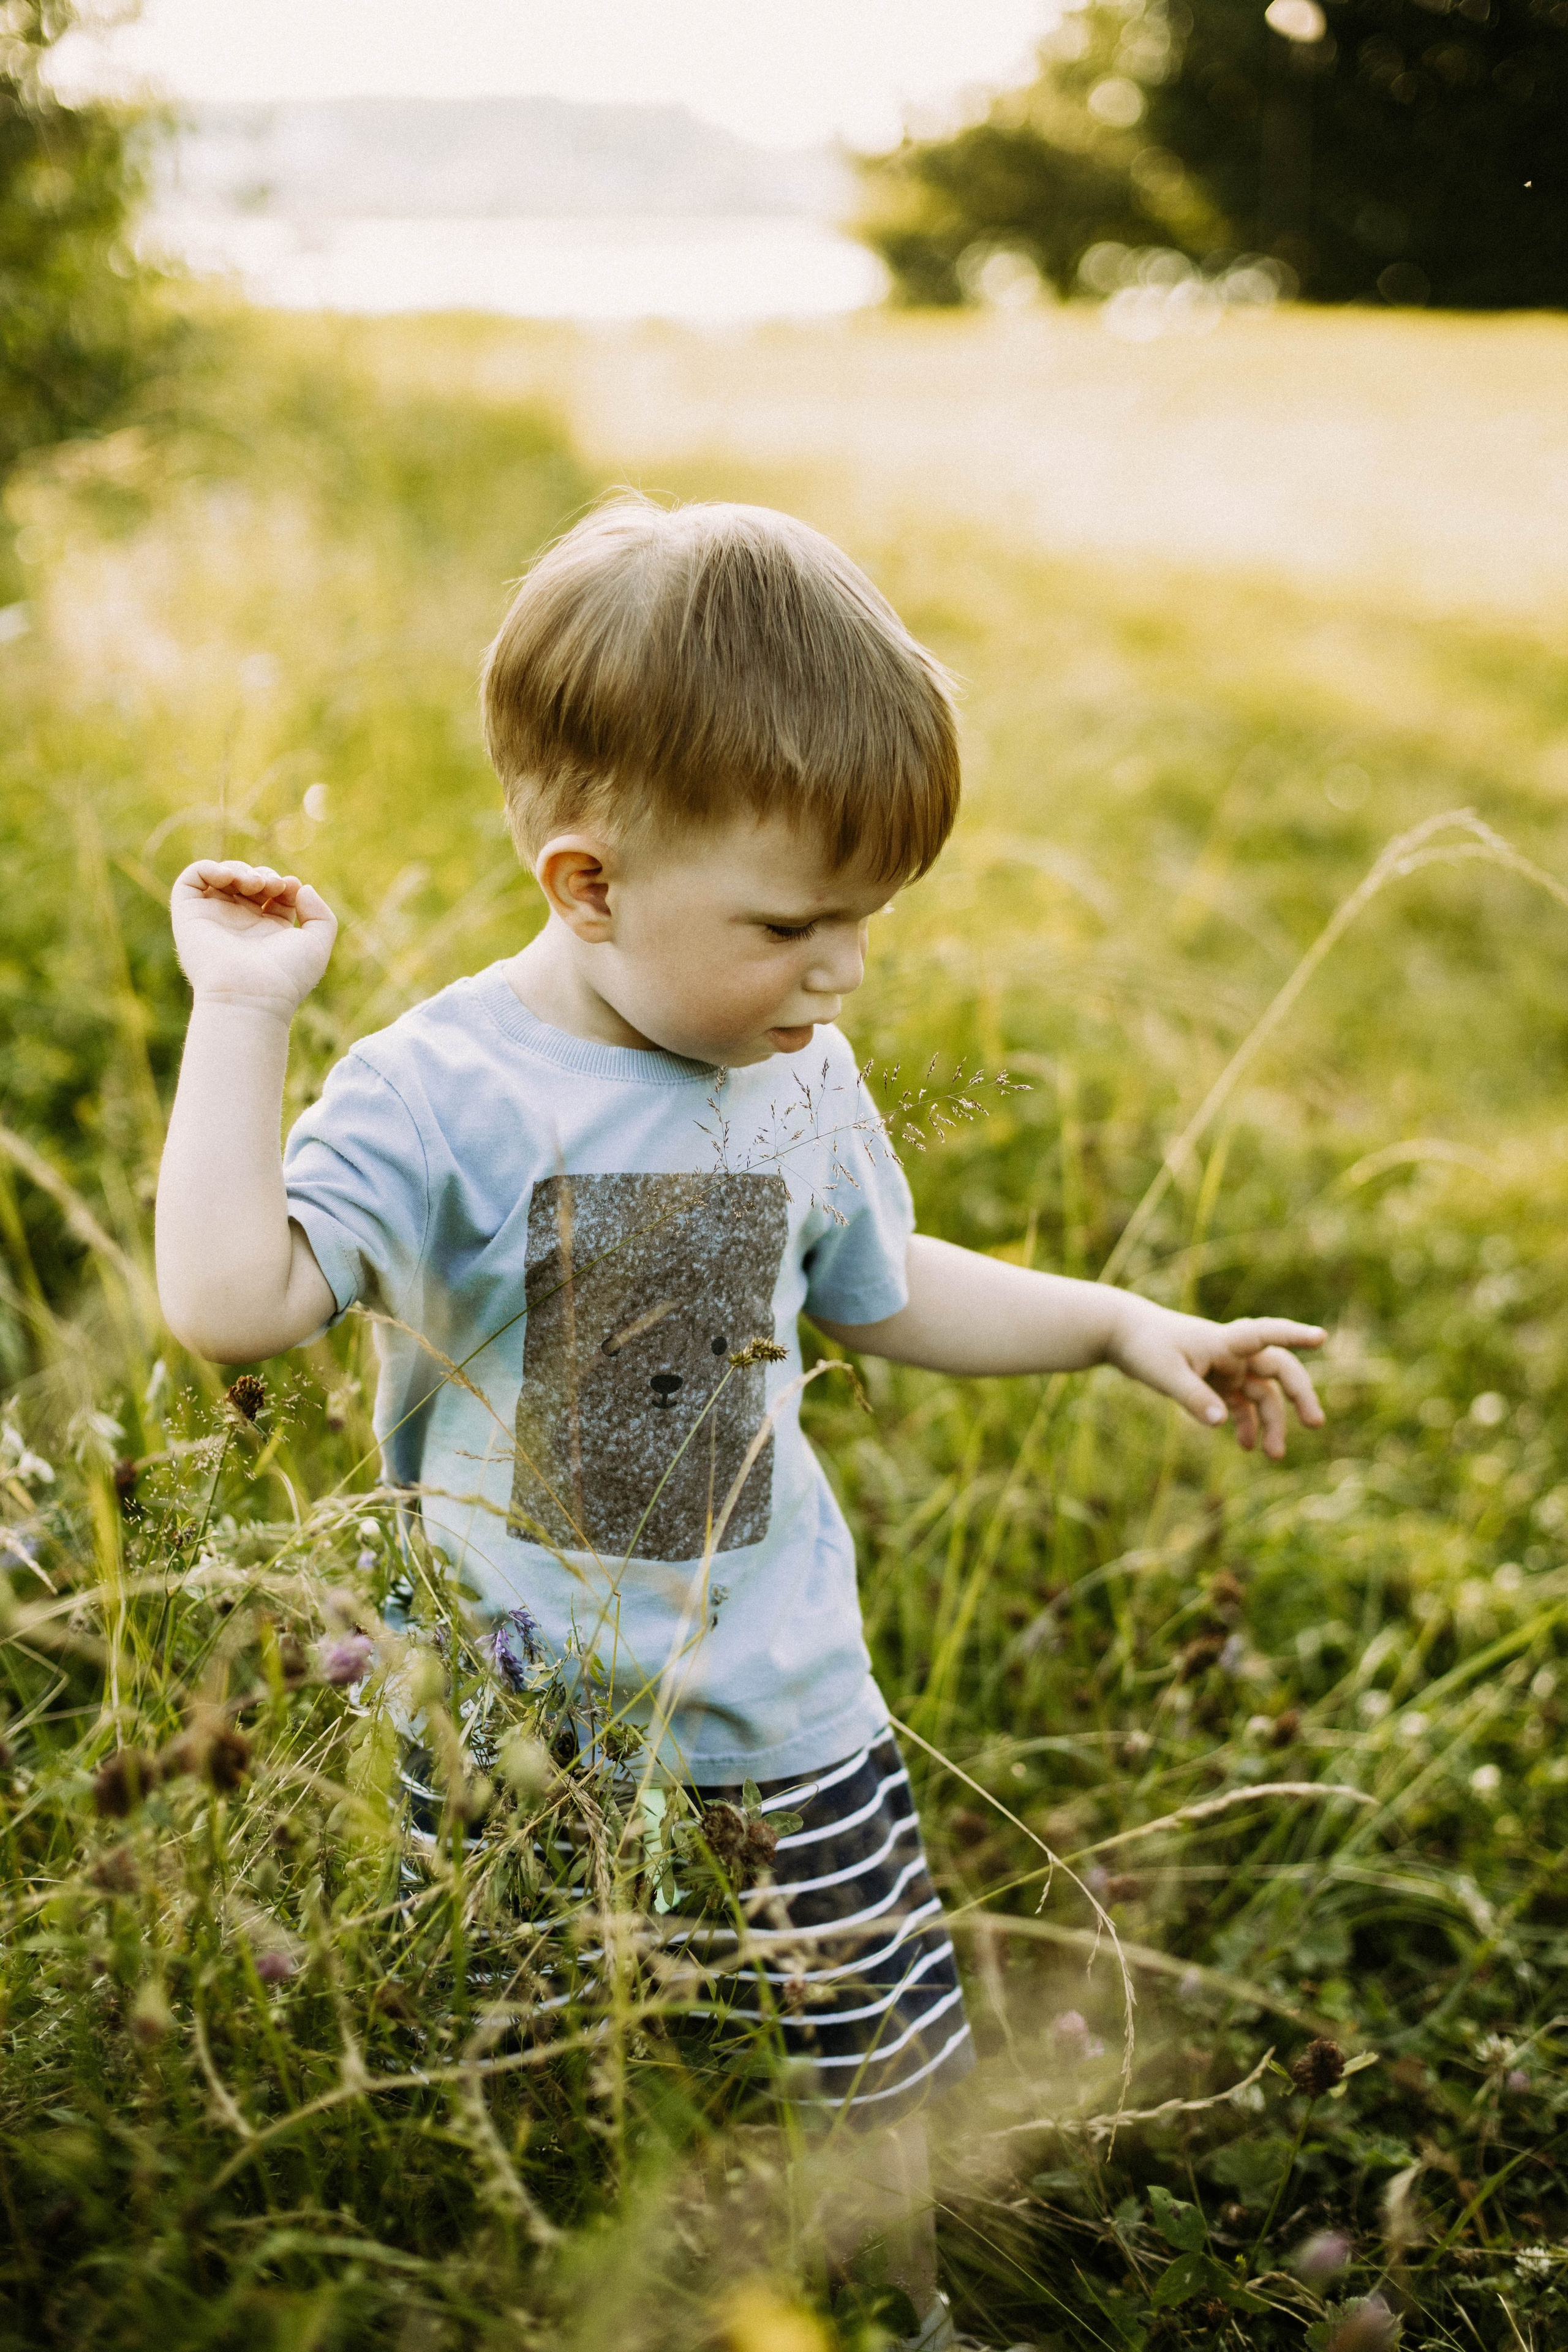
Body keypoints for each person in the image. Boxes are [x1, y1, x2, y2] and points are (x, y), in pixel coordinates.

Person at [155, 494, 1324, 2350]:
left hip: (787, 1717)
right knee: (516, 2103)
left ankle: (916, 2313)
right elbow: (233, 1305)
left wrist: (1116, 1325)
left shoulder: (794, 1070)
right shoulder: (444, 1093)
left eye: (864, 920)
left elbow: (881, 1285)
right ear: (588, 883)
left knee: (884, 2095)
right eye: (793, 925)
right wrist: (243, 1015)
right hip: (515, 1746)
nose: (844, 972)